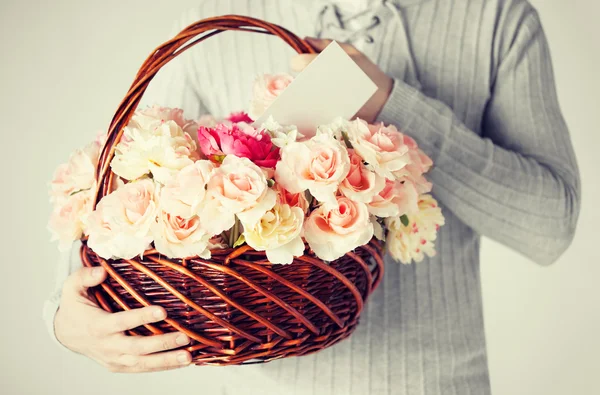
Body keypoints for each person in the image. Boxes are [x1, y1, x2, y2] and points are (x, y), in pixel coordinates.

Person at [44, 0, 581, 394]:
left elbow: (549, 228)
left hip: (437, 384)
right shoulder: (216, 18)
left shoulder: (495, 17)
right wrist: (63, 319)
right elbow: (117, 197)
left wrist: (394, 105)